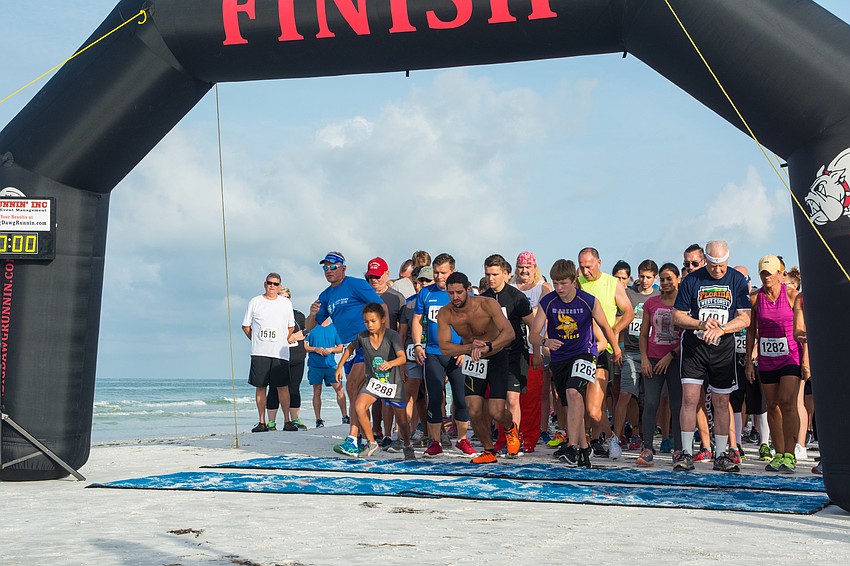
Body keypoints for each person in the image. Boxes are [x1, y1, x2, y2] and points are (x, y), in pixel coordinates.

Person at [530, 259, 622, 468]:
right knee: (572, 403)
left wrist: (615, 349)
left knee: (574, 393)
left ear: (573, 281)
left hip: (584, 354)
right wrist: (545, 341)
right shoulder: (549, 302)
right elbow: (533, 335)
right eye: (555, 283)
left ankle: (572, 447)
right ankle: (583, 449)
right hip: (560, 358)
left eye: (563, 283)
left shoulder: (588, 300)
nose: (559, 288)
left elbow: (606, 328)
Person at [673, 240, 751, 473]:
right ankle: (685, 452)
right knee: (689, 398)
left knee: (721, 401)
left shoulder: (736, 280)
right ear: (705, 259)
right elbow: (677, 316)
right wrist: (700, 323)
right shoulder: (691, 280)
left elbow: (745, 318)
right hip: (695, 349)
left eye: (722, 266)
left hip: (723, 348)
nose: (717, 270)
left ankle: (720, 454)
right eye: (713, 265)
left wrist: (722, 328)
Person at [305, 252, 385, 455]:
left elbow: (381, 307)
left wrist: (385, 339)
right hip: (348, 347)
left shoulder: (355, 285)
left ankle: (353, 437)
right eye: (325, 267)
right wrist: (313, 313)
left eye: (333, 266)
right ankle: (363, 437)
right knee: (354, 393)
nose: (329, 271)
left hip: (366, 341)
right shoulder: (326, 295)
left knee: (353, 385)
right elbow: (310, 327)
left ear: (343, 268)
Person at [437, 272, 519, 464]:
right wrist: (470, 347)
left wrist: (489, 346)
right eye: (451, 293)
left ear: (468, 290)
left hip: (496, 356)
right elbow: (444, 347)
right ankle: (489, 451)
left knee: (497, 411)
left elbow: (509, 333)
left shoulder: (487, 304)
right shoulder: (446, 312)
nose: (455, 297)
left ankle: (510, 428)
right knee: (473, 410)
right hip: (474, 361)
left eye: (459, 292)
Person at [411, 253, 475, 457]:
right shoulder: (426, 293)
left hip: (457, 354)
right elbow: (416, 320)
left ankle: (462, 440)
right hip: (433, 353)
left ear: (453, 272)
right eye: (436, 273)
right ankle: (435, 441)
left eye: (443, 273)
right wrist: (418, 345)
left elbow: (474, 322)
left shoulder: (464, 294)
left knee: (461, 398)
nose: (439, 277)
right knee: (435, 397)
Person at [334, 303, 415, 460]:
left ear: (383, 320)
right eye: (366, 321)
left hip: (393, 385)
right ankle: (371, 443)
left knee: (402, 421)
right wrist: (339, 367)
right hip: (373, 383)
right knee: (359, 406)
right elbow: (349, 349)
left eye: (373, 321)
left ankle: (407, 445)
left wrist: (391, 363)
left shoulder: (392, 335)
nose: (370, 325)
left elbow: (402, 357)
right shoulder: (362, 336)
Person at [745, 255, 803, 473]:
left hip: (790, 356)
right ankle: (778, 453)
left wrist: (806, 361)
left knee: (788, 402)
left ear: (780, 274)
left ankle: (790, 452)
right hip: (767, 358)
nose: (766, 277)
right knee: (772, 405)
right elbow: (751, 330)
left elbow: (803, 326)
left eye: (770, 273)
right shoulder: (754, 298)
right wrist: (749, 361)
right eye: (763, 273)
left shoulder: (791, 295)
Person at [577, 247, 634, 459]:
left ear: (599, 263)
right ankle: (588, 442)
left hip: (603, 349)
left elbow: (628, 312)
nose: (585, 272)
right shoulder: (577, 282)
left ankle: (608, 439)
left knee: (597, 405)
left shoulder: (613, 283)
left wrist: (614, 332)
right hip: (578, 348)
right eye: (582, 267)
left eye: (589, 267)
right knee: (579, 402)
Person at [480, 254, 535, 454]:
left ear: (505, 274)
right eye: (487, 274)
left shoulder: (516, 297)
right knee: (493, 402)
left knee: (513, 399)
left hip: (515, 353)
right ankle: (499, 437)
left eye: (495, 274)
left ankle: (514, 440)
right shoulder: (483, 298)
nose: (491, 278)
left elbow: (532, 326)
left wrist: (537, 351)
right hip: (492, 355)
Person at [637, 263, 683, 466]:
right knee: (651, 403)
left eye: (669, 279)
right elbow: (644, 333)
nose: (665, 283)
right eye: (662, 279)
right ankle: (647, 447)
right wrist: (645, 358)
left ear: (678, 279)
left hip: (676, 360)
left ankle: (680, 449)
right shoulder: (651, 303)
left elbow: (689, 336)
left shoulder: (685, 304)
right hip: (654, 360)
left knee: (677, 405)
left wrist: (672, 355)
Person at [241, 272, 296, 433]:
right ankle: (261, 422)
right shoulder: (255, 301)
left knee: (282, 387)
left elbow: (291, 326)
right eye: (269, 283)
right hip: (260, 351)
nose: (272, 286)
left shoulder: (285, 303)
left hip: (280, 352)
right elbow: (246, 325)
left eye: (275, 284)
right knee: (260, 386)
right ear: (265, 284)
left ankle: (287, 421)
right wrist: (256, 339)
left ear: (280, 286)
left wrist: (281, 339)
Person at [512, 251, 556, 447]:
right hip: (513, 349)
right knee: (513, 399)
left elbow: (540, 313)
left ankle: (530, 437)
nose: (524, 271)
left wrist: (538, 350)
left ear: (535, 268)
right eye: (521, 267)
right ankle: (513, 435)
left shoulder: (543, 287)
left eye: (528, 267)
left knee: (533, 397)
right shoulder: (510, 287)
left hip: (534, 348)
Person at [616, 259, 659, 450]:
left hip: (653, 353)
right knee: (626, 394)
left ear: (654, 277)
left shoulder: (659, 296)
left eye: (649, 277)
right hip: (631, 351)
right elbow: (619, 318)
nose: (645, 280)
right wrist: (617, 347)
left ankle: (648, 436)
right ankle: (616, 438)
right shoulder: (628, 293)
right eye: (642, 276)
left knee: (650, 398)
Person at [365, 256, 407, 444]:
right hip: (368, 353)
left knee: (388, 395)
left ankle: (389, 433)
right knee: (370, 393)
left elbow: (402, 330)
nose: (374, 280)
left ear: (387, 274)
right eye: (370, 277)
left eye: (377, 276)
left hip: (391, 353)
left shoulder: (397, 298)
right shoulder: (363, 296)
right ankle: (374, 430)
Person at [266, 287, 308, 431]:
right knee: (274, 388)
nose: (284, 301)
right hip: (277, 355)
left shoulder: (299, 315)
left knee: (294, 388)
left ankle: (295, 419)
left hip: (297, 355)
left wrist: (296, 336)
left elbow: (306, 331)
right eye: (281, 297)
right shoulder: (270, 314)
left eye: (287, 298)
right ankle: (271, 422)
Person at [305, 318, 346, 427]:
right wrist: (315, 349)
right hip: (315, 365)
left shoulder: (334, 327)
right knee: (317, 391)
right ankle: (318, 419)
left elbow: (340, 347)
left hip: (330, 365)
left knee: (340, 389)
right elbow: (305, 346)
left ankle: (345, 416)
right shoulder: (311, 327)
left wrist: (331, 349)